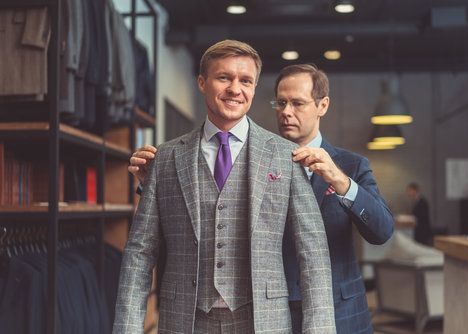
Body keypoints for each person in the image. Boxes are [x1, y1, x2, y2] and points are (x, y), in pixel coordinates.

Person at [130, 63, 394, 333]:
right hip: (265, 316)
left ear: (322, 105)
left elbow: (382, 230)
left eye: (297, 103)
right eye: (280, 103)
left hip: (339, 314)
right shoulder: (250, 157)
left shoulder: (351, 165)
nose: (286, 112)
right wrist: (154, 185)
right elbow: (211, 220)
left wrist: (340, 182)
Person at [114, 40, 336, 334]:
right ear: (202, 82)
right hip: (184, 321)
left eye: (245, 80)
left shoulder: (286, 156)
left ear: (254, 88)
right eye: (224, 78)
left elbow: (313, 254)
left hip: (263, 321)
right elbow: (140, 254)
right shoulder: (166, 158)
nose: (235, 89)